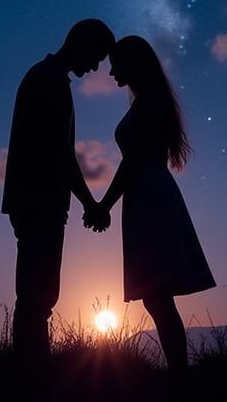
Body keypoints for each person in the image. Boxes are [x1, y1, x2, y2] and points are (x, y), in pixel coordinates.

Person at [85, 35, 215, 374]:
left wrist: (104, 205)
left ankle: (179, 377)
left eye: (116, 63)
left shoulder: (148, 102)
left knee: (157, 292)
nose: (111, 72)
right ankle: (179, 375)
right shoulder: (146, 99)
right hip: (145, 195)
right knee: (156, 294)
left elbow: (133, 161)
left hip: (150, 196)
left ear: (132, 62)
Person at [0, 18, 116, 367]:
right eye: (95, 56)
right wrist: (91, 204)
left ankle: (31, 371)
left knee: (37, 296)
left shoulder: (45, 77)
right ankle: (32, 375)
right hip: (40, 202)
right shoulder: (49, 80)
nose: (95, 67)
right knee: (39, 296)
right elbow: (60, 153)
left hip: (34, 201)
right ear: (80, 42)